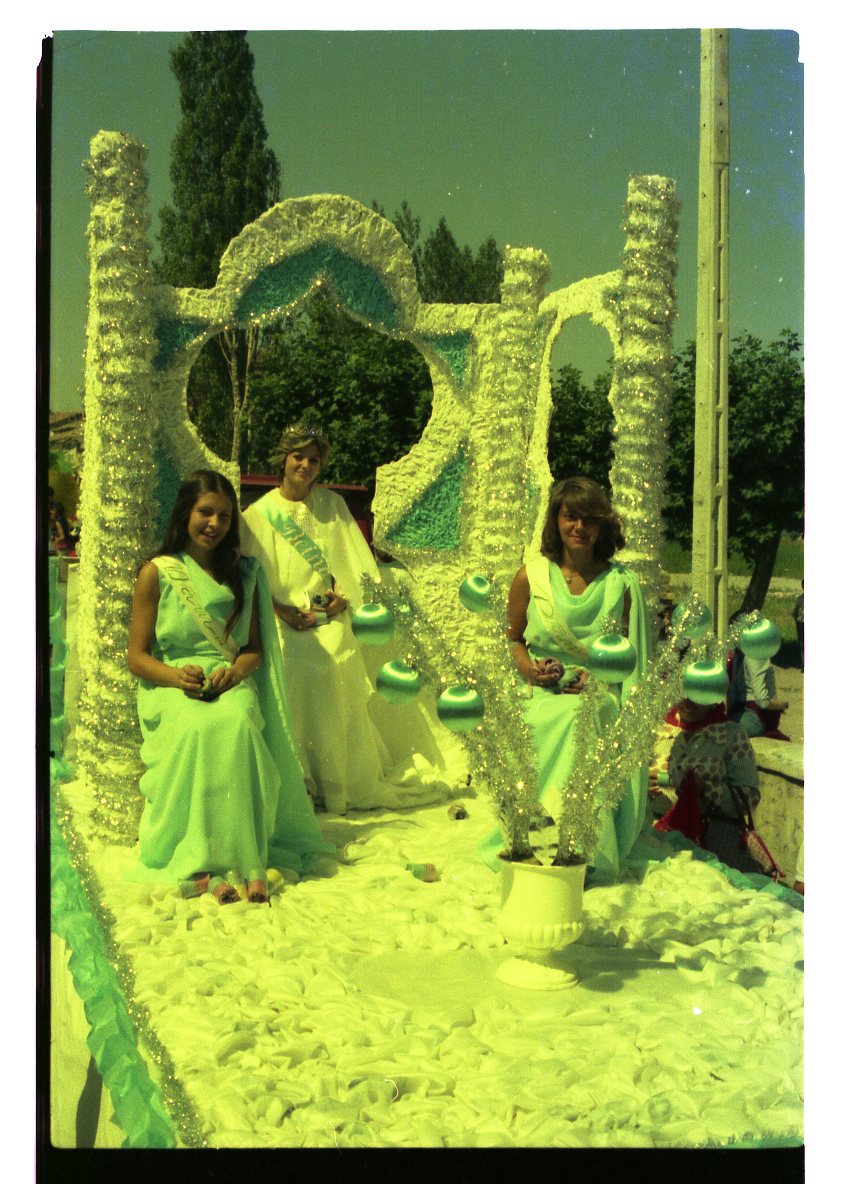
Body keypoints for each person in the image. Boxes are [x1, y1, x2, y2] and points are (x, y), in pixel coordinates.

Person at [127, 470, 330, 904]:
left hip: (228, 678)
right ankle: (198, 862)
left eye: (224, 516)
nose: (214, 524)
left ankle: (245, 859)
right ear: (185, 513)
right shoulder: (156, 573)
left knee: (237, 725)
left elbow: (253, 650)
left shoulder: (246, 572)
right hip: (171, 685)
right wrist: (176, 677)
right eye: (205, 512)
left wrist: (234, 674)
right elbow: (137, 657)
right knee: (198, 731)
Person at [240, 424, 451, 813]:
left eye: (314, 460)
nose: (306, 466)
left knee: (336, 653)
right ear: (283, 459)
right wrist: (281, 610)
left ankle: (336, 776)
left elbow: (355, 564)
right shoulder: (257, 514)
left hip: (327, 614)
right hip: (279, 617)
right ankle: (298, 778)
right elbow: (250, 578)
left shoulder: (333, 506)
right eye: (299, 457)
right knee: (293, 659)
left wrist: (343, 600)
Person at [481, 476, 651, 881]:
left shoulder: (622, 584)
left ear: (603, 525)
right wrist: (531, 670)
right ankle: (527, 839)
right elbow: (513, 640)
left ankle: (579, 846)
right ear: (555, 521)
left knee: (580, 719)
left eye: (589, 519)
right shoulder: (530, 576)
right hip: (538, 691)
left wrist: (597, 681)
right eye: (570, 517)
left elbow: (632, 658)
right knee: (539, 718)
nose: (579, 527)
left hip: (598, 694)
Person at [649, 697, 763, 871]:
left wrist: (709, 789)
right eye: (683, 692)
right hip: (656, 845)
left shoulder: (731, 735)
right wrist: (642, 786)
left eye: (697, 694)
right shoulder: (655, 730)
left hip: (712, 847)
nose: (688, 702)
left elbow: (750, 798)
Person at [726, 612, 790, 740]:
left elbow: (761, 701)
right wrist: (783, 705)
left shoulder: (749, 655)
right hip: (750, 712)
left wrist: (782, 705)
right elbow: (760, 700)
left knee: (722, 733)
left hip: (756, 715)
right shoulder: (744, 654)